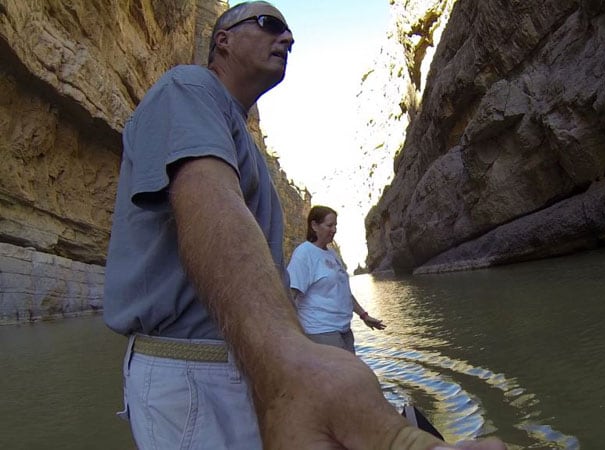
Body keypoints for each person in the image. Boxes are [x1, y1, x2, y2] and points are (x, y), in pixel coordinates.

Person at [103, 1, 506, 449]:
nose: (288, 39)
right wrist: (292, 366)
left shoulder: (235, 132)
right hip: (200, 372)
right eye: (270, 25)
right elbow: (210, 204)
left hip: (246, 367)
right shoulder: (188, 87)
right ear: (223, 39)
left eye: (290, 33)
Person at [288, 206, 386, 353]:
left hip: (344, 329)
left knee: (351, 374)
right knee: (344, 375)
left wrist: (364, 316)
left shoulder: (332, 254)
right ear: (314, 226)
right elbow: (290, 294)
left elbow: (344, 291)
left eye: (335, 225)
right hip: (320, 331)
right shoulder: (304, 254)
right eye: (329, 225)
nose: (334, 230)